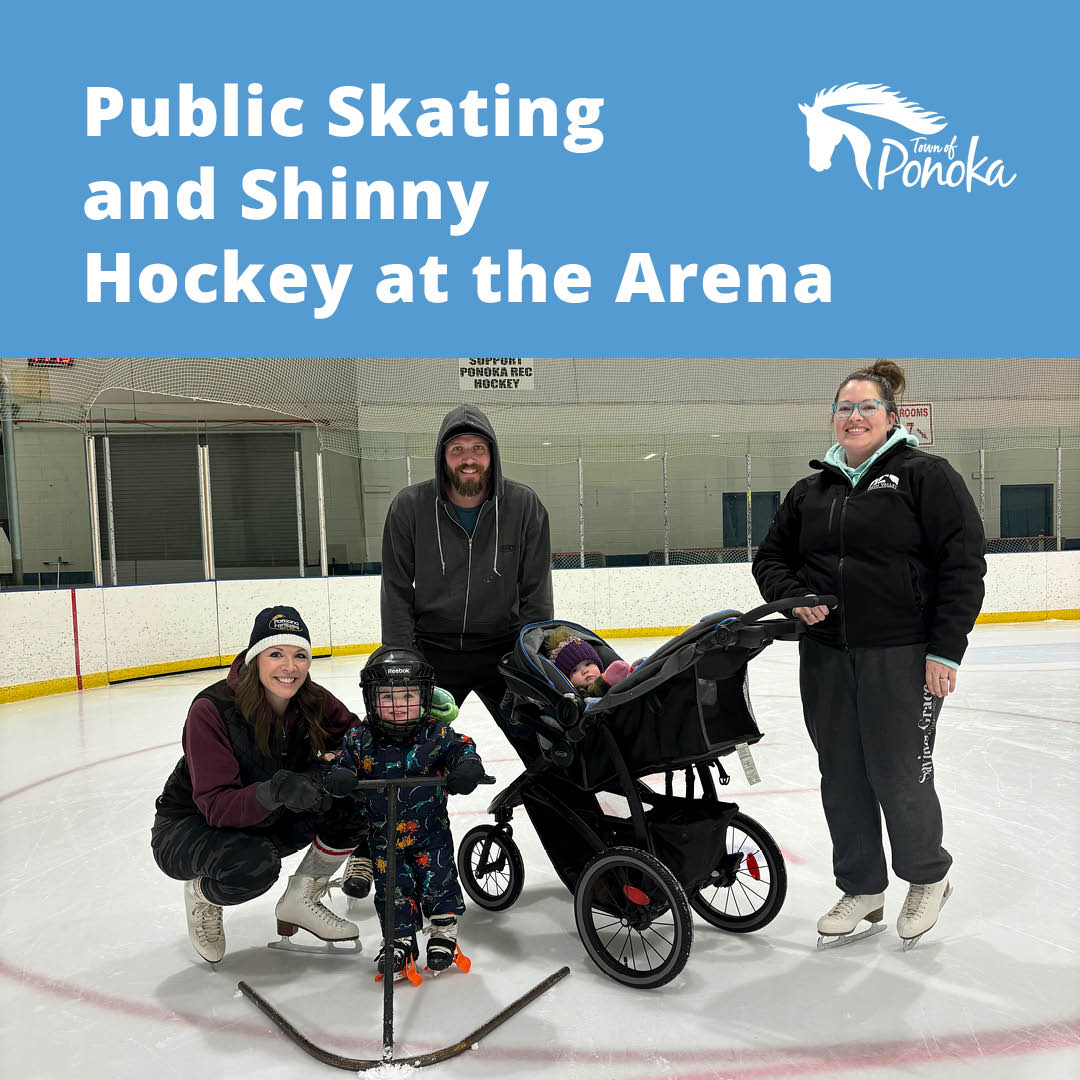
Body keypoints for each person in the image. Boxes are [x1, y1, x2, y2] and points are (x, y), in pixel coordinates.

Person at [752, 361, 985, 950]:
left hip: (902, 656)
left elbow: (963, 567)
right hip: (827, 656)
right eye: (845, 408)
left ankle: (928, 877)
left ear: (891, 417)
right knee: (842, 776)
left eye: (866, 408)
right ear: (833, 417)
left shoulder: (924, 476)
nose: (854, 417)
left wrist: (946, 653)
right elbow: (770, 560)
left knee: (900, 773)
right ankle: (863, 886)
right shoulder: (811, 490)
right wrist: (791, 598)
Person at [151, 606, 368, 963]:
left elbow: (359, 740)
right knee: (254, 866)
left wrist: (422, 730)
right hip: (191, 828)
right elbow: (217, 806)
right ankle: (203, 894)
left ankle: (302, 897)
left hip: (268, 815)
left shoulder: (313, 700)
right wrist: (276, 790)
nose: (290, 667)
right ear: (255, 659)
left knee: (353, 802)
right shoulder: (212, 709)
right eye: (276, 654)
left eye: (300, 655)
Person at [379, 404, 553, 753]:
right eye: (457, 449)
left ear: (492, 454)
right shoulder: (410, 506)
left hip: (504, 649)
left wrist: (532, 657)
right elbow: (396, 588)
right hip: (433, 649)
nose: (468, 459)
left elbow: (536, 591)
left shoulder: (523, 505)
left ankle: (568, 809)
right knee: (406, 750)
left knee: (546, 746)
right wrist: (403, 657)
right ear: (442, 456)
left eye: (478, 449)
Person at [329, 646, 485, 979]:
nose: (398, 706)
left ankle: (443, 932)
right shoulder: (360, 739)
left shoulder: (436, 734)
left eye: (407, 696)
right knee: (392, 890)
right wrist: (340, 776)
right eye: (387, 697)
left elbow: (462, 747)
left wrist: (468, 766)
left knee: (438, 882)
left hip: (431, 833)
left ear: (424, 697)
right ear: (372, 699)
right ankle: (398, 940)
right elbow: (342, 764)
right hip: (383, 838)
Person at [542, 626, 632, 698]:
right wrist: (606, 682)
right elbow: (595, 692)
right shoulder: (580, 694)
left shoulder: (607, 672)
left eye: (588, 664)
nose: (585, 671)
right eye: (574, 670)